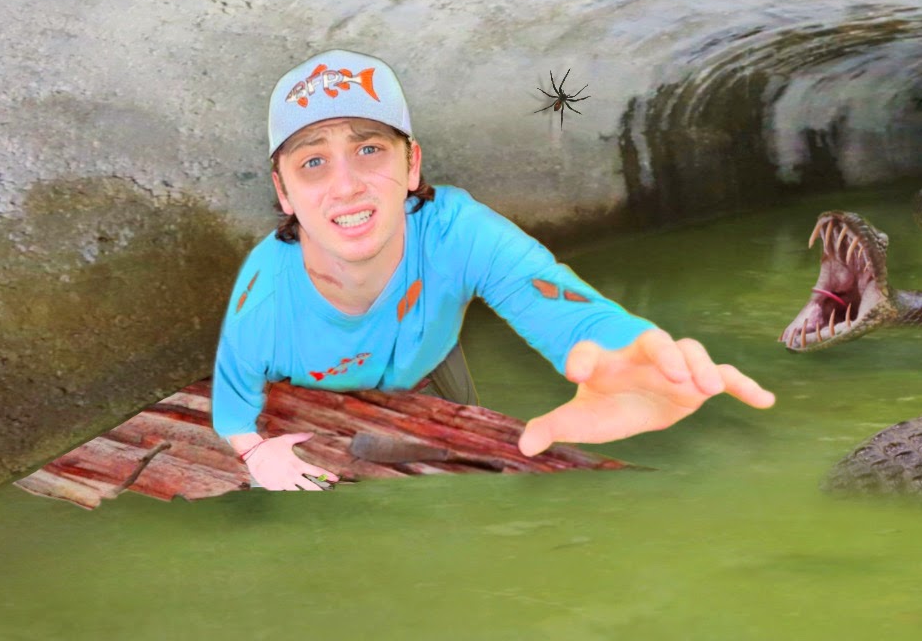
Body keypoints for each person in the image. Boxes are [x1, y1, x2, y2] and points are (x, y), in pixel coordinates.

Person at [214, 49, 774, 491]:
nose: (346, 185)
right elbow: (234, 400)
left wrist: (617, 344)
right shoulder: (266, 296)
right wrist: (255, 451)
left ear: (411, 164)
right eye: (313, 162)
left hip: (427, 357)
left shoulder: (456, 229)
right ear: (283, 191)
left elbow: (547, 293)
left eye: (369, 150)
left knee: (464, 464)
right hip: (312, 394)